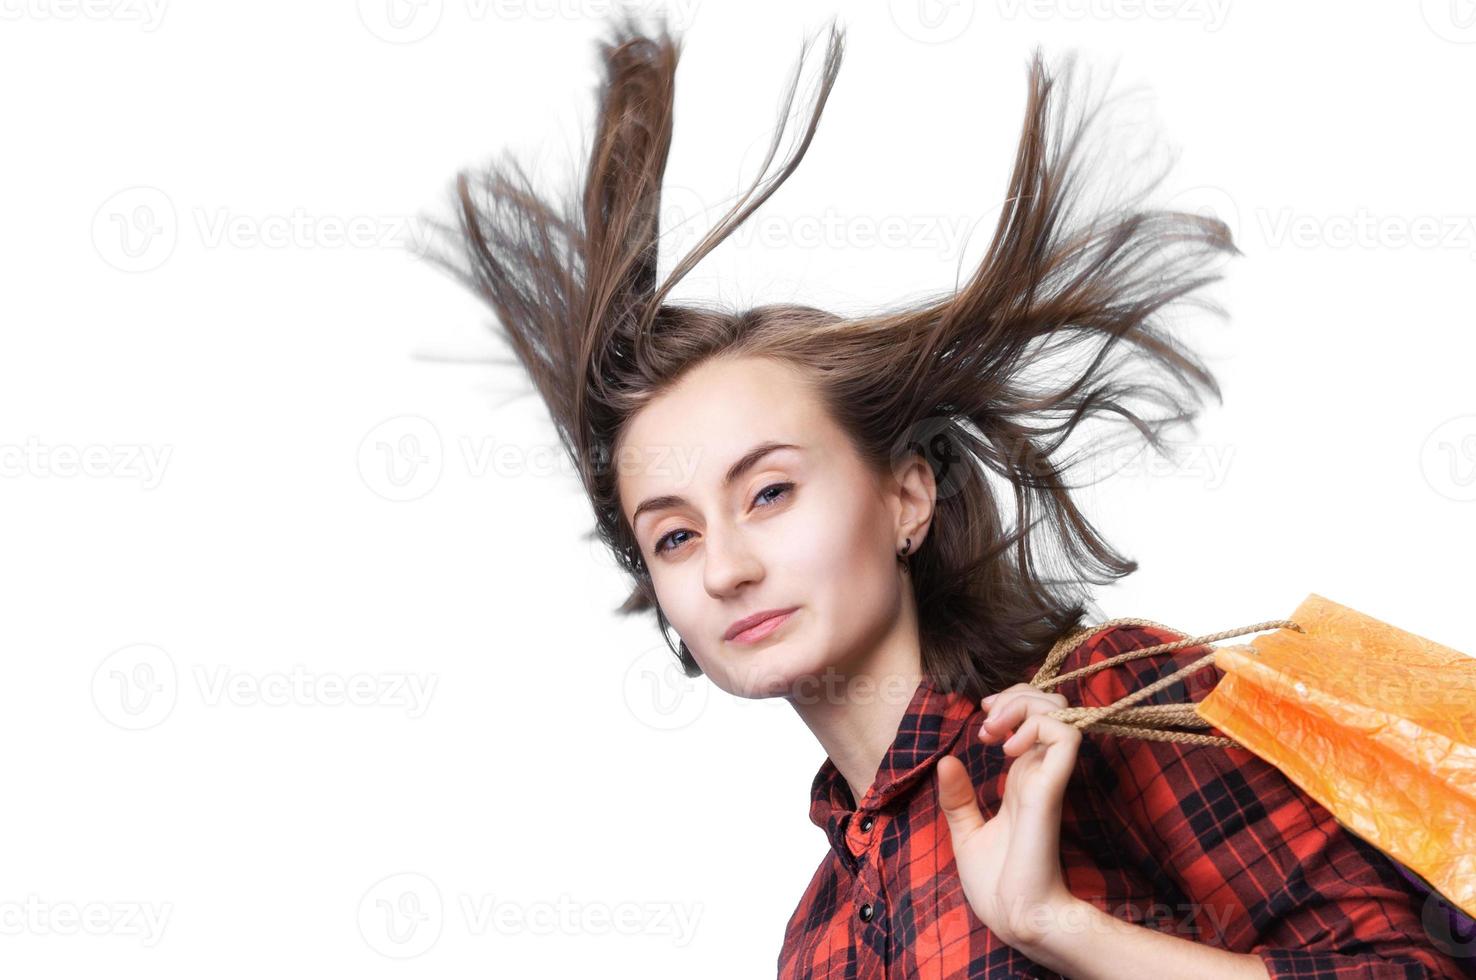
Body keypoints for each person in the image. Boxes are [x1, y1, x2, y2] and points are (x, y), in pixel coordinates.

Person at [422, 12, 1474, 978]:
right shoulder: (815, 942)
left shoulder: (1109, 707)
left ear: (907, 497)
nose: (728, 564)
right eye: (676, 536)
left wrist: (1060, 924)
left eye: (772, 491)